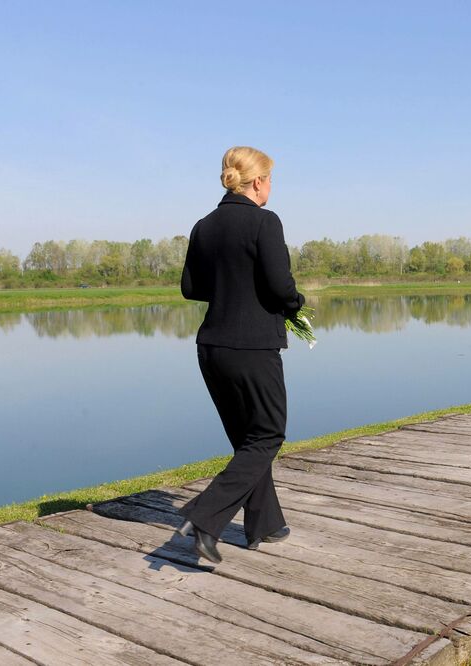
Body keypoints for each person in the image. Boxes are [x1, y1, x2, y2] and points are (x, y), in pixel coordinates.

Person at [175, 146, 305, 563]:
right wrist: (296, 303)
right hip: (252, 347)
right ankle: (206, 516)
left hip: (212, 348)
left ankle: (265, 523)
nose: (271, 187)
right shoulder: (265, 222)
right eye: (271, 180)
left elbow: (191, 288)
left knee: (247, 440)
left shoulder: (203, 226)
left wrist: (232, 287)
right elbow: (281, 287)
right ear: (259, 181)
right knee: (267, 435)